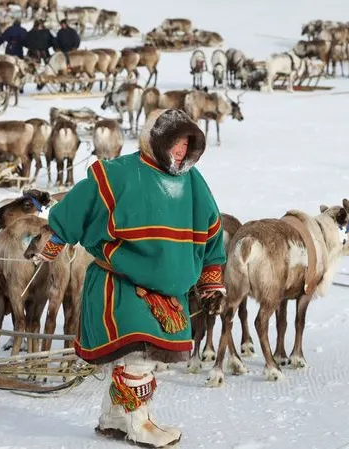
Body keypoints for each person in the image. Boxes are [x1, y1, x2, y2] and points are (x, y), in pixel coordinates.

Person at [29, 108, 226, 448]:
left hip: (170, 292)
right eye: (176, 144)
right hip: (120, 283)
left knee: (140, 355)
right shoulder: (117, 174)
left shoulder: (192, 181)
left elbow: (211, 227)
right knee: (139, 355)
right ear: (157, 141)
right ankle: (139, 423)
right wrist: (55, 237)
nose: (181, 152)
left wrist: (211, 275)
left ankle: (114, 418)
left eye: (187, 146)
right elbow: (80, 206)